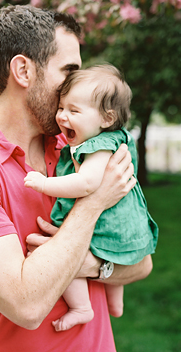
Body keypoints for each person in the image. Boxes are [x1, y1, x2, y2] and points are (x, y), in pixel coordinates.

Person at [0, 5, 153, 352]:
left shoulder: (81, 146)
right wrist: (93, 201)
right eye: (69, 72)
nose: (78, 86)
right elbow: (27, 305)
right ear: (23, 70)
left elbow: (141, 261)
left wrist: (93, 265)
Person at [23, 64, 158, 332]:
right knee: (111, 257)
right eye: (61, 108)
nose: (62, 117)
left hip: (106, 227)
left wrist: (44, 183)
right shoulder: (110, 138)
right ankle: (116, 302)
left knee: (68, 252)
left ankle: (81, 307)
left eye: (74, 111)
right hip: (123, 226)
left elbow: (86, 183)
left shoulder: (96, 147)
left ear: (107, 119)